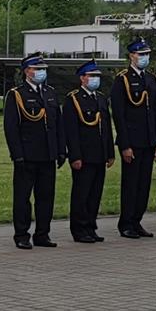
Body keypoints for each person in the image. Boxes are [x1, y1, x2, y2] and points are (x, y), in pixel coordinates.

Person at [4, 54, 63, 249]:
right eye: (37, 69)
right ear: (27, 71)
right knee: (23, 198)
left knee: (46, 197)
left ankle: (42, 234)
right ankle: (22, 235)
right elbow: (11, 127)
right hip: (27, 154)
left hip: (48, 154)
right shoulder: (17, 95)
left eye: (43, 69)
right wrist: (17, 154)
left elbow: (57, 124)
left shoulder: (50, 93)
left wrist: (60, 150)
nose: (41, 72)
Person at [109, 38, 156, 239]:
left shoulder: (151, 79)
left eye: (147, 54)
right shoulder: (122, 80)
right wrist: (125, 144)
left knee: (143, 185)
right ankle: (126, 223)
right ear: (132, 56)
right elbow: (119, 115)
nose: (144, 58)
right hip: (132, 140)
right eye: (141, 54)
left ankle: (137, 221)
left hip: (148, 140)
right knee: (131, 184)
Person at [61, 61, 113, 243]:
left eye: (97, 76)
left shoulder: (101, 98)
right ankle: (79, 229)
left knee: (95, 194)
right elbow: (71, 131)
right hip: (84, 155)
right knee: (81, 194)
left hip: (99, 154)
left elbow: (106, 127)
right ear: (82, 78)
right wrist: (75, 156)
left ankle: (91, 226)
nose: (95, 79)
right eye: (91, 76)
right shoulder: (73, 99)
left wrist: (110, 153)